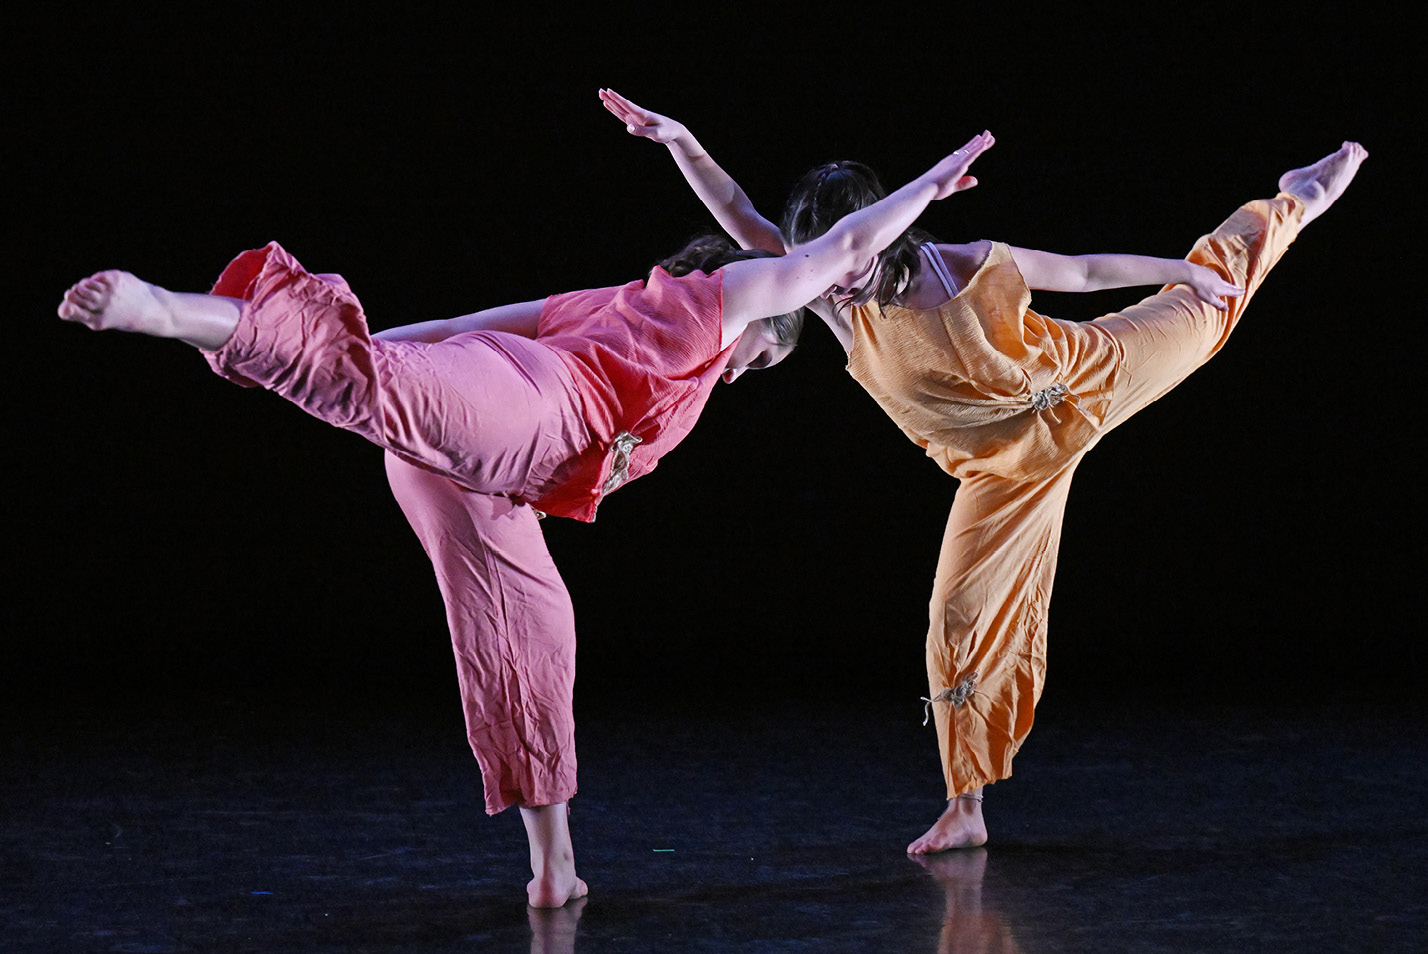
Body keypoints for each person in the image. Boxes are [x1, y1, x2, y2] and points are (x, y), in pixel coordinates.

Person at [55, 131, 994, 906]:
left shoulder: (603, 303)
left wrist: (384, 352)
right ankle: (174, 312)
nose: (737, 378)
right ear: (762, 326)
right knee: (377, 389)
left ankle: (556, 872)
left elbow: (467, 324)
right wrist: (929, 187)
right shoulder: (728, 299)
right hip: (534, 410)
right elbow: (836, 251)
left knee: (530, 634)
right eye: (754, 368)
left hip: (492, 472)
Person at [600, 88, 1367, 854]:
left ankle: (1296, 198)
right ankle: (965, 808)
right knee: (955, 617)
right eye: (820, 262)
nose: (833, 280)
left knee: (1209, 306)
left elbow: (1089, 269)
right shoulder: (830, 298)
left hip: (1085, 384)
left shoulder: (962, 264)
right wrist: (682, 143)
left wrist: (1181, 271)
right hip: (1002, 475)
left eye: (847, 257)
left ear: (884, 231)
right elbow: (739, 213)